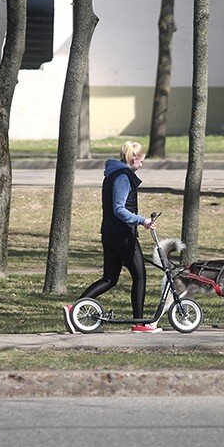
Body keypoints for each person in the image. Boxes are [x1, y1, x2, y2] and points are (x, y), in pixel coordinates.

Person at [63, 140, 160, 333]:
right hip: (122, 235)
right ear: (133, 158)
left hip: (110, 233)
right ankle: (140, 323)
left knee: (109, 279)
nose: (142, 164)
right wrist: (143, 221)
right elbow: (119, 209)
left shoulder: (114, 174)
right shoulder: (123, 177)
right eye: (141, 161)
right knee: (140, 276)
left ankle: (74, 310)